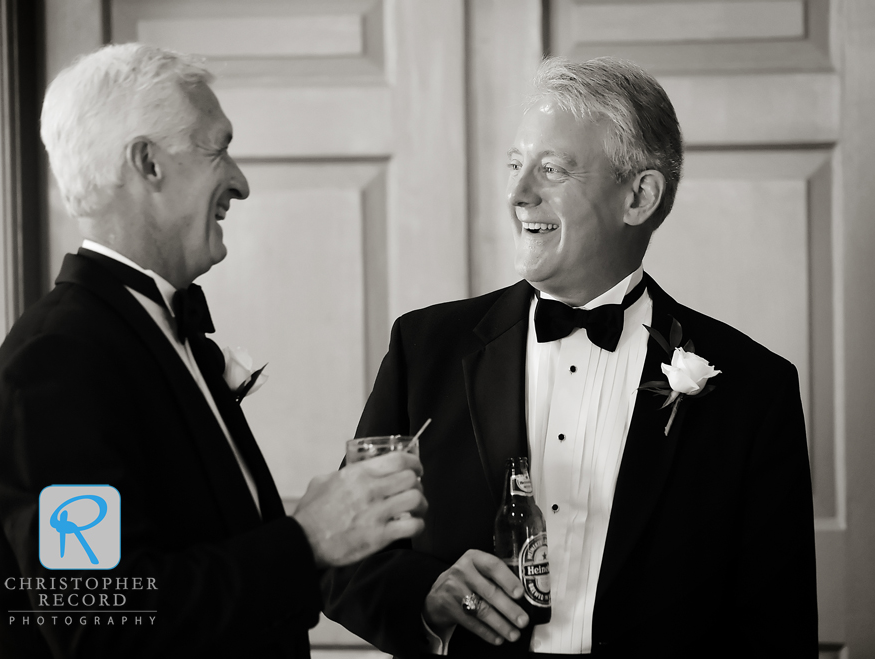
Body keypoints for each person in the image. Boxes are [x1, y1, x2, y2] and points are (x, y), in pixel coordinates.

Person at [322, 56, 818, 658]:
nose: (516, 193)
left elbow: (777, 628)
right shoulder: (424, 348)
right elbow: (339, 558)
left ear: (639, 195)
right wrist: (427, 596)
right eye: (514, 165)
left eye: (551, 169)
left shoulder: (753, 389)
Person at [0, 43, 427, 658]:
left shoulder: (163, 332)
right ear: (148, 164)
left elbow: (218, 565)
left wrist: (401, 579)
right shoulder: (55, 363)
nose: (239, 181)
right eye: (218, 148)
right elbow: (101, 623)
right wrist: (307, 539)